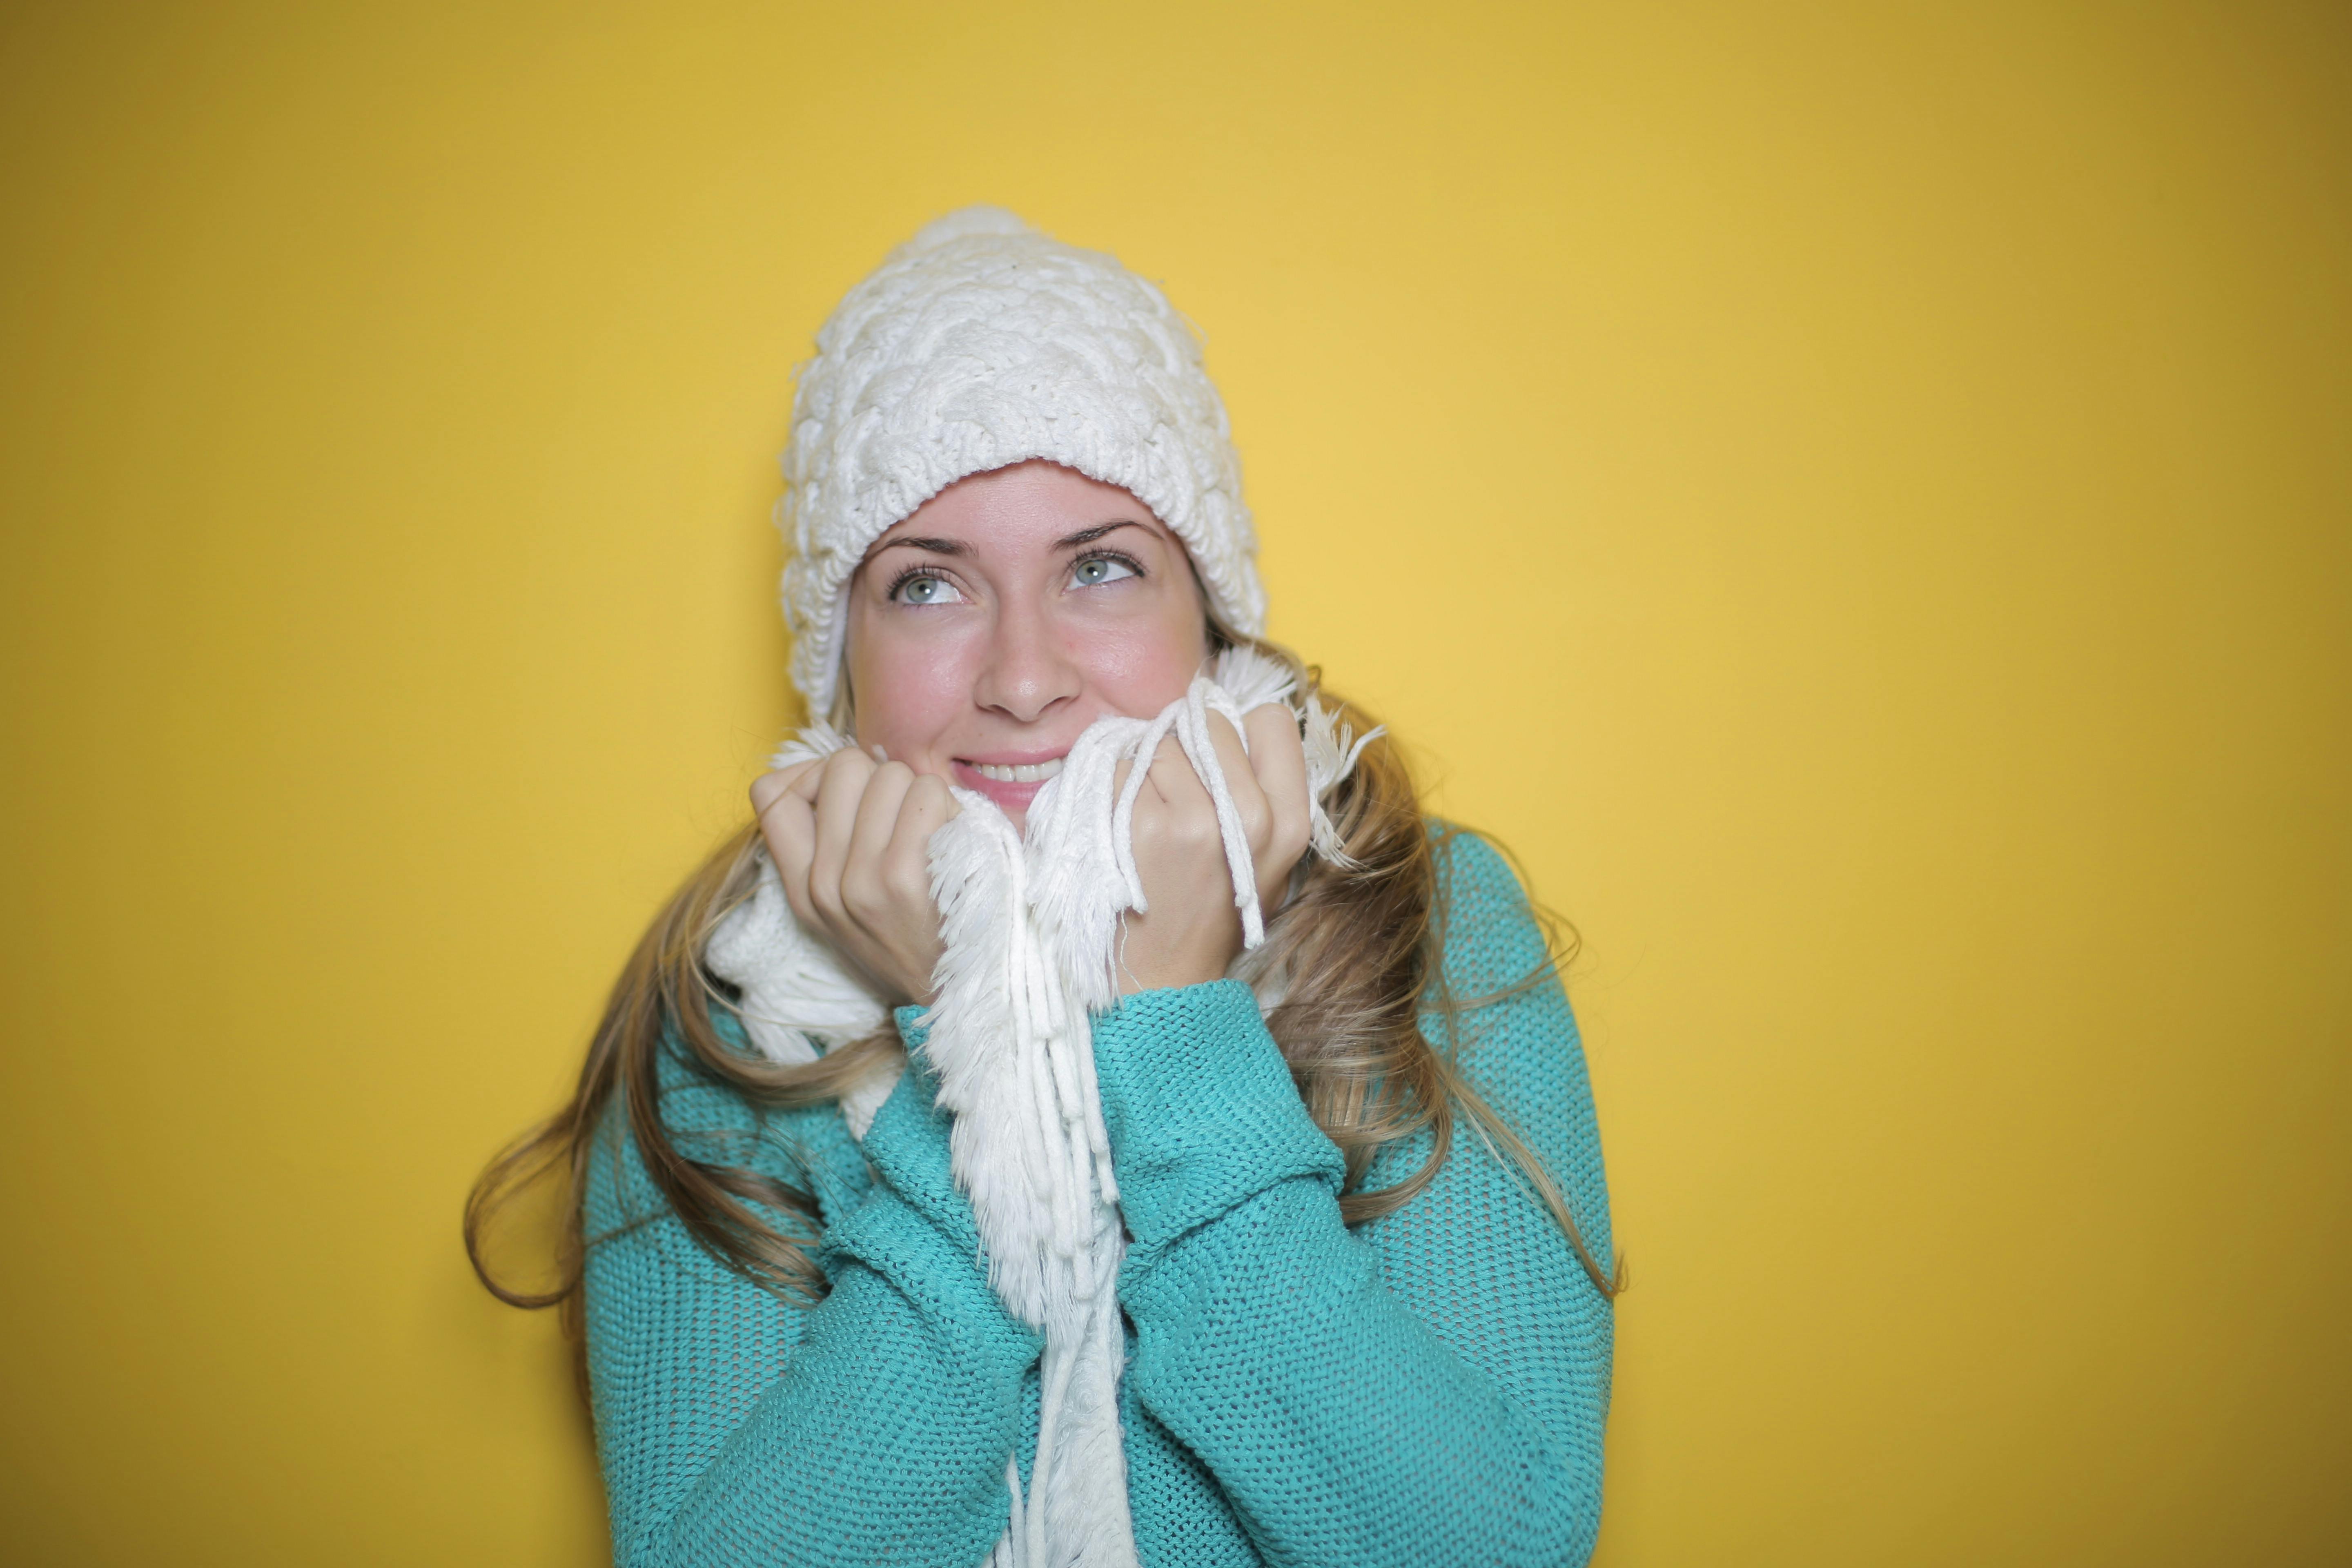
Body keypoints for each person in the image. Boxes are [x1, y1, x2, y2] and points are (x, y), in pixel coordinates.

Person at [470, 207, 1620, 1568]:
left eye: (1099, 567)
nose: (1023, 679)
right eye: (928, 587)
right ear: (839, 661)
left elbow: (1494, 1549)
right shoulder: (729, 1009)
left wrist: (1174, 1029)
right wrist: (971, 1044)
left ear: (1211, 616)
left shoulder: (1415, 913)